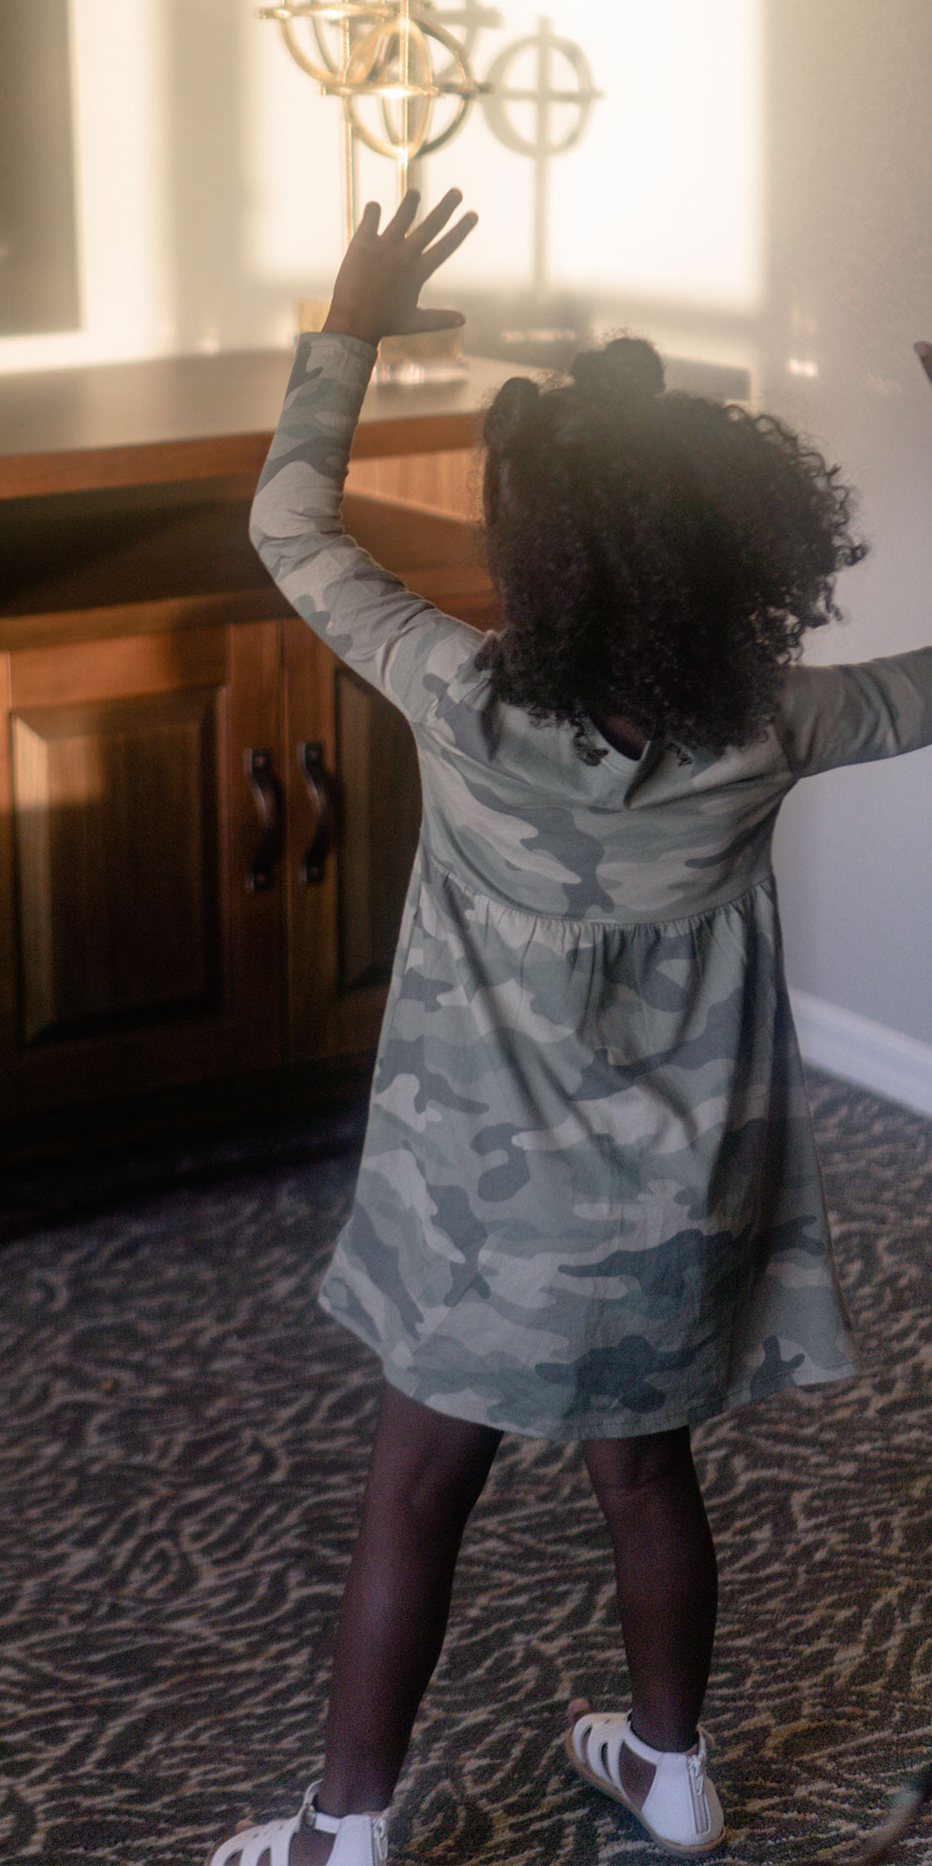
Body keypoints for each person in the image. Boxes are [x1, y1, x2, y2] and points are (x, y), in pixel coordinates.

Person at [209, 189, 932, 1866]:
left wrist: (352, 321)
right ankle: (670, 1771)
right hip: (675, 1209)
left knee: (415, 1497)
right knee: (645, 1481)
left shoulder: (456, 696)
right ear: (737, 552)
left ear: (536, 562)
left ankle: (347, 1829)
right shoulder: (777, 725)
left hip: (478, 1227)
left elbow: (291, 524)